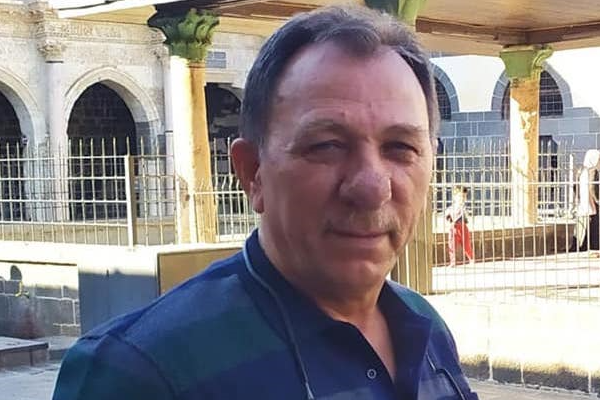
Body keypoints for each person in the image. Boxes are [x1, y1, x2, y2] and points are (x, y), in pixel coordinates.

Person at [53, 6, 478, 400]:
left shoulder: (425, 327)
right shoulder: (137, 373)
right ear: (252, 172)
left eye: (401, 148)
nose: (371, 188)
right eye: (327, 145)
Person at [571, 149, 600, 253]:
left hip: (583, 202)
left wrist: (578, 198)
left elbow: (575, 186)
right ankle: (593, 245)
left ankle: (580, 245)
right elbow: (592, 187)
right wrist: (597, 199)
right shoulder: (592, 171)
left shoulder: (581, 170)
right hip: (591, 202)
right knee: (594, 225)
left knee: (584, 224)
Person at [445, 186, 474, 267]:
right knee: (451, 245)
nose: (462, 198)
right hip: (453, 228)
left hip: (462, 227)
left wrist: (466, 213)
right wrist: (448, 218)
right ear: (455, 197)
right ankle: (452, 262)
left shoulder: (464, 208)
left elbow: (467, 216)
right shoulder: (451, 208)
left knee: (466, 244)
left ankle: (471, 259)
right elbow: (447, 216)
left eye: (464, 196)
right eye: (460, 196)